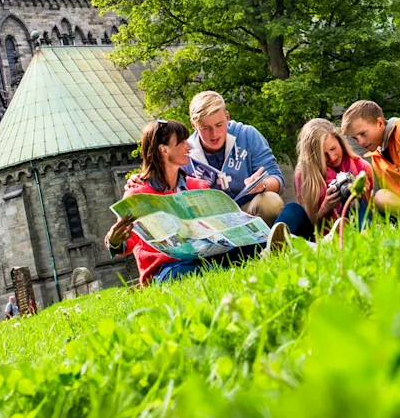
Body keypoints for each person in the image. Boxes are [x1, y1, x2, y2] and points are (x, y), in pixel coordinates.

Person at [103, 119, 293, 286]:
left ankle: (279, 248)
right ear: (164, 150)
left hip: (210, 257)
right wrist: (114, 241)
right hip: (166, 269)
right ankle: (241, 268)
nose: (189, 147)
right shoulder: (139, 194)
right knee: (188, 272)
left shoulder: (197, 186)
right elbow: (126, 244)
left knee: (272, 229)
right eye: (182, 142)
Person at [184, 92, 286, 225]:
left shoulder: (248, 135)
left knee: (271, 202)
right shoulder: (184, 151)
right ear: (194, 125)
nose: (214, 134)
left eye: (219, 125)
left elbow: (277, 180)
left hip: (248, 210)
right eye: (206, 128)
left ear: (227, 117)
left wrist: (263, 184)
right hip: (210, 221)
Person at [291, 118, 375, 239]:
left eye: (333, 148)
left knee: (354, 198)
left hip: (359, 227)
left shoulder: (361, 166)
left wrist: (361, 191)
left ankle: (361, 238)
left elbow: (373, 211)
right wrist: (325, 208)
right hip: (326, 237)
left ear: (340, 142)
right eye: (323, 155)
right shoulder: (304, 176)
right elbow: (309, 225)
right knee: (292, 210)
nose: (332, 157)